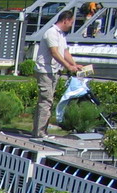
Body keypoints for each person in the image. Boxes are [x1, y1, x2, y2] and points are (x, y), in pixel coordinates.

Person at [33, 10, 80, 139]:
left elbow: (64, 52)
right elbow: (54, 53)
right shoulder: (51, 33)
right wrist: (68, 66)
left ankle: (39, 130)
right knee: (46, 102)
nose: (71, 25)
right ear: (65, 20)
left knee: (46, 102)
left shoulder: (61, 35)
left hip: (53, 72)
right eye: (71, 22)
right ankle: (40, 133)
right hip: (45, 71)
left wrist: (75, 65)